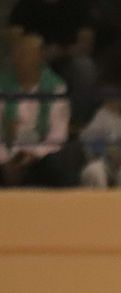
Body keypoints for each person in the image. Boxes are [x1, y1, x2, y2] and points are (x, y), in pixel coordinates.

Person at [0, 33, 75, 188]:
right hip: (5, 152)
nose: (20, 59)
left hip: (39, 155)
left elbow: (58, 134)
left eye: (26, 55)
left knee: (57, 165)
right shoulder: (2, 85)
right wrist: (6, 159)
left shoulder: (55, 87)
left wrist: (34, 154)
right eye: (17, 54)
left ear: (40, 58)